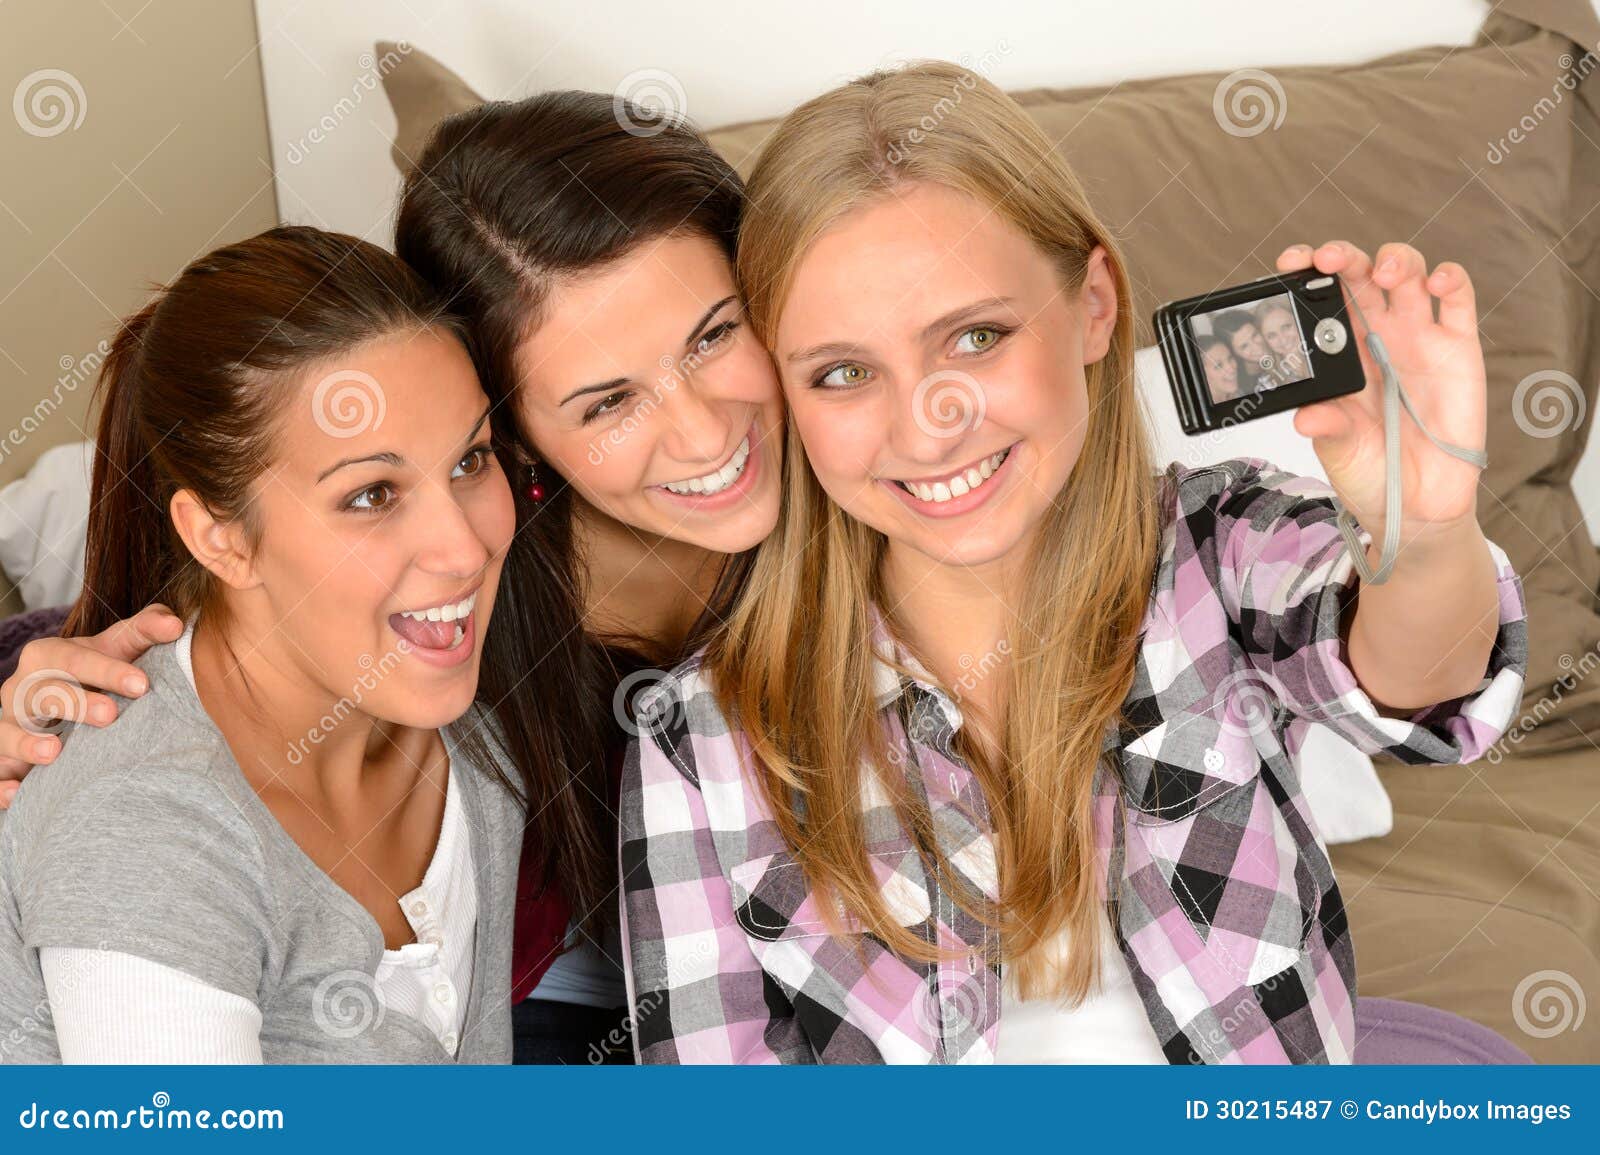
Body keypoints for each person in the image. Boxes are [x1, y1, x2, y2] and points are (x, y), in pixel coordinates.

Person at [618, 62, 1528, 1064]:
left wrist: (1430, 530)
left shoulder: (1215, 543)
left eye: (975, 336)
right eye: (843, 373)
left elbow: (1413, 685)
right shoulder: (696, 739)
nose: (929, 427)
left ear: (1092, 305)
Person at [0, 91, 786, 1064]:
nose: (705, 432)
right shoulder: (445, 622)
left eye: (713, 335)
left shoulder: (879, 482)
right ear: (521, 428)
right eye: (606, 399)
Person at [0, 227, 525, 1062]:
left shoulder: (473, 744)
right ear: (220, 537)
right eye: (372, 493)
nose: (464, 548)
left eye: (470, 460)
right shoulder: (152, 829)